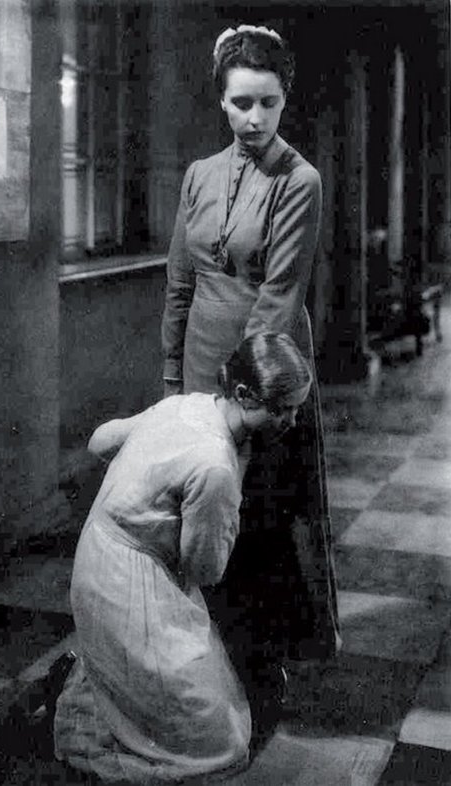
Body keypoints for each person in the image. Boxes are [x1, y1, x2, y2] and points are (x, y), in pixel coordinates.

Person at [161, 24, 340, 683]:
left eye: (268, 101)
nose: (255, 117)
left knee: (259, 509)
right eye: (241, 102)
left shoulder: (302, 180)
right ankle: (206, 647)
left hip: (265, 364)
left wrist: (243, 398)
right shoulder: (199, 175)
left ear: (285, 99)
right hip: (201, 356)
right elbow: (179, 281)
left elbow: (280, 293)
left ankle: (261, 663)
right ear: (221, 101)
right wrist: (174, 380)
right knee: (200, 502)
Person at [54, 333, 313, 785]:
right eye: (281, 408)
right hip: (125, 580)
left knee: (187, 701)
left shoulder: (185, 404)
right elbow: (205, 570)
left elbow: (100, 441)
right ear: (243, 394)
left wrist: (145, 486)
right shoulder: (216, 466)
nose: (291, 421)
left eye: (295, 408)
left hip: (96, 553)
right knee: (219, 744)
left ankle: (109, 682)